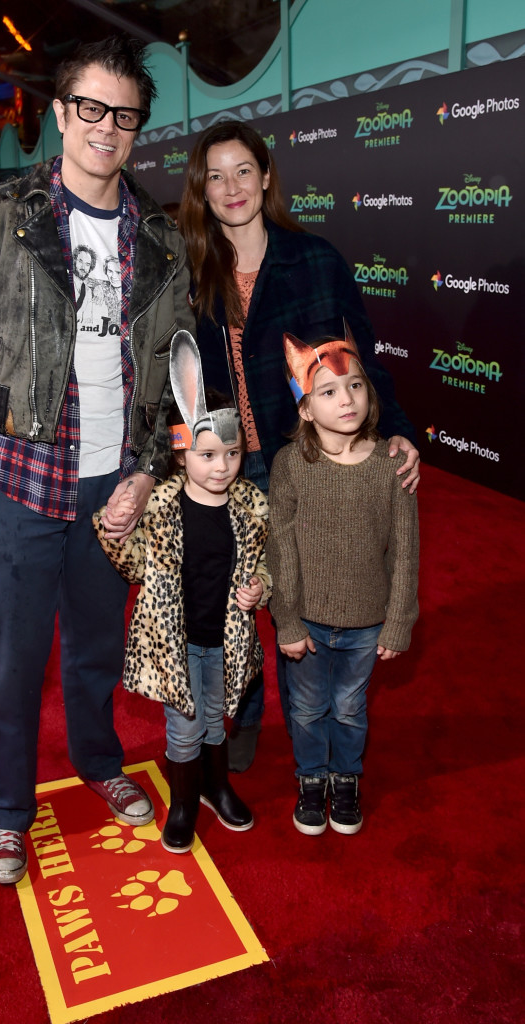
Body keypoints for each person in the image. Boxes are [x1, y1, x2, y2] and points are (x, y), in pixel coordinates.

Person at [0, 36, 194, 885]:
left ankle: (98, 760)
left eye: (125, 115)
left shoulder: (158, 235)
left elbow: (175, 364)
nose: (107, 130)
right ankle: (8, 810)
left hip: (115, 484)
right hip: (19, 480)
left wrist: (152, 470)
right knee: (12, 661)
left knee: (93, 649)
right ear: (58, 112)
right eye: (91, 109)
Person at [179, 120, 420, 772]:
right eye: (216, 176)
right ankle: (245, 716)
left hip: (302, 464)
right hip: (222, 468)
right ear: (201, 189)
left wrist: (396, 426)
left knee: (299, 601)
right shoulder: (190, 273)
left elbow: (364, 355)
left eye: (243, 171)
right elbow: (175, 379)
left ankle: (309, 748)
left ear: (265, 177)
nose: (231, 187)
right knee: (234, 599)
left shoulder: (315, 259)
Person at [94, 331, 270, 853]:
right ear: (180, 450)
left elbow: (265, 564)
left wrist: (260, 588)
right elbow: (133, 566)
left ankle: (217, 786)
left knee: (216, 717)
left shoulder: (252, 505)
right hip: (175, 641)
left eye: (232, 454)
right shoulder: (162, 505)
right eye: (209, 454)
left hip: (225, 637)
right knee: (184, 727)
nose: (222, 467)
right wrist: (111, 527)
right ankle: (186, 801)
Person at [267, 328, 419, 835]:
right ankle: (311, 779)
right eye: (328, 391)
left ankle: (346, 778)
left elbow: (405, 550)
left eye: (354, 385)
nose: (346, 399)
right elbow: (281, 547)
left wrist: (398, 622)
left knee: (351, 709)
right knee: (308, 709)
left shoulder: (390, 465)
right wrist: (286, 619)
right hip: (306, 622)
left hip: (367, 623)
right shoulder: (291, 465)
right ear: (306, 409)